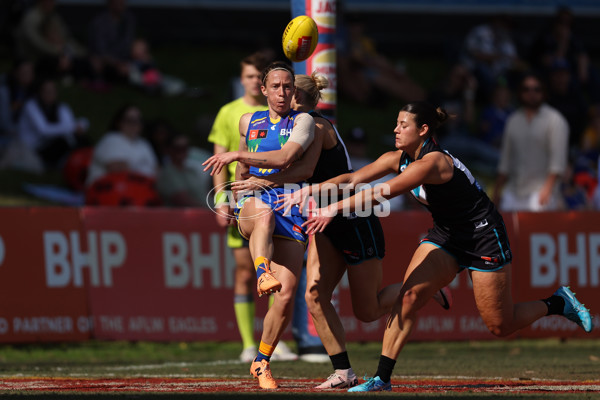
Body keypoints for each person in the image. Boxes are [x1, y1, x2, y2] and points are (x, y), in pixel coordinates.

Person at [297, 101, 592, 392]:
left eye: (403, 125)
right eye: (396, 123)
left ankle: (558, 303)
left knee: (500, 325)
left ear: (423, 130)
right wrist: (310, 189)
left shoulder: (434, 162)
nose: (395, 130)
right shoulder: (397, 157)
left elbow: (381, 192)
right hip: (446, 235)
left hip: (482, 235)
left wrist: (331, 209)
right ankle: (381, 379)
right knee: (409, 296)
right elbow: (351, 178)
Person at [234, 73, 452, 390]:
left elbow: (301, 170)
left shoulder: (315, 126)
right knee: (314, 295)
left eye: (288, 92)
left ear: (297, 99)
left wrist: (253, 172)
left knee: (368, 310)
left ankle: (422, 288)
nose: (282, 100)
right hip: (323, 218)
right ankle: (342, 372)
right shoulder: (298, 125)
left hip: (352, 217)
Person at [203, 61, 318, 389]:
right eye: (276, 86)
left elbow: (286, 159)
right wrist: (237, 199)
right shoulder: (247, 120)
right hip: (254, 205)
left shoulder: (304, 121)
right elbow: (241, 174)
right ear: (263, 90)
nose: (282, 93)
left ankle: (261, 361)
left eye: (288, 87)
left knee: (285, 295)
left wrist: (239, 157)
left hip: (290, 207)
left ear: (294, 90)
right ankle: (261, 270)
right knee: (262, 217)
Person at [492, 73, 569, 211]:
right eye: (526, 89)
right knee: (503, 226)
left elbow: (558, 163)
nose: (531, 93)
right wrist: (497, 192)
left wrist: (547, 191)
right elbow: (505, 162)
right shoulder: (513, 120)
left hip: (541, 191)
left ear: (544, 92)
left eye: (536, 89)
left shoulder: (555, 120)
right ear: (520, 93)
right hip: (514, 191)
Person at [15, 77, 89, 171]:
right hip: (35, 146)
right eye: (47, 91)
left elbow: (71, 125)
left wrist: (80, 126)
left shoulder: (61, 107)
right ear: (39, 92)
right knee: (61, 143)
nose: (51, 94)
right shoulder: (31, 106)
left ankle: (82, 162)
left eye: (53, 90)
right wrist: (73, 127)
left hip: (54, 142)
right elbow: (44, 130)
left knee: (82, 139)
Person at [86, 104, 157, 186]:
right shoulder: (111, 139)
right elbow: (117, 169)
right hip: (108, 190)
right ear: (119, 122)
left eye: (138, 120)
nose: (134, 124)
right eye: (129, 120)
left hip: (137, 189)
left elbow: (156, 169)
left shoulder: (144, 144)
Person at [156, 133, 211, 207]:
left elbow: (205, 193)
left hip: (208, 212)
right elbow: (183, 201)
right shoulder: (167, 173)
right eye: (178, 148)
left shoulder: (191, 171)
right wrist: (212, 211)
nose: (182, 151)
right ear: (168, 149)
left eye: (185, 147)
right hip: (189, 216)